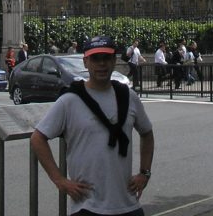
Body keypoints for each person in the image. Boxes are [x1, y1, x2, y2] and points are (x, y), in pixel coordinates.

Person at [31, 35, 154, 216]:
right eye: (95, 59)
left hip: (128, 205)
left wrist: (145, 173)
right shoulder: (69, 100)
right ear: (86, 62)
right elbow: (38, 138)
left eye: (106, 58)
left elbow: (147, 133)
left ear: (114, 61)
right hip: (87, 206)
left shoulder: (129, 97)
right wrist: (59, 180)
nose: (101, 64)